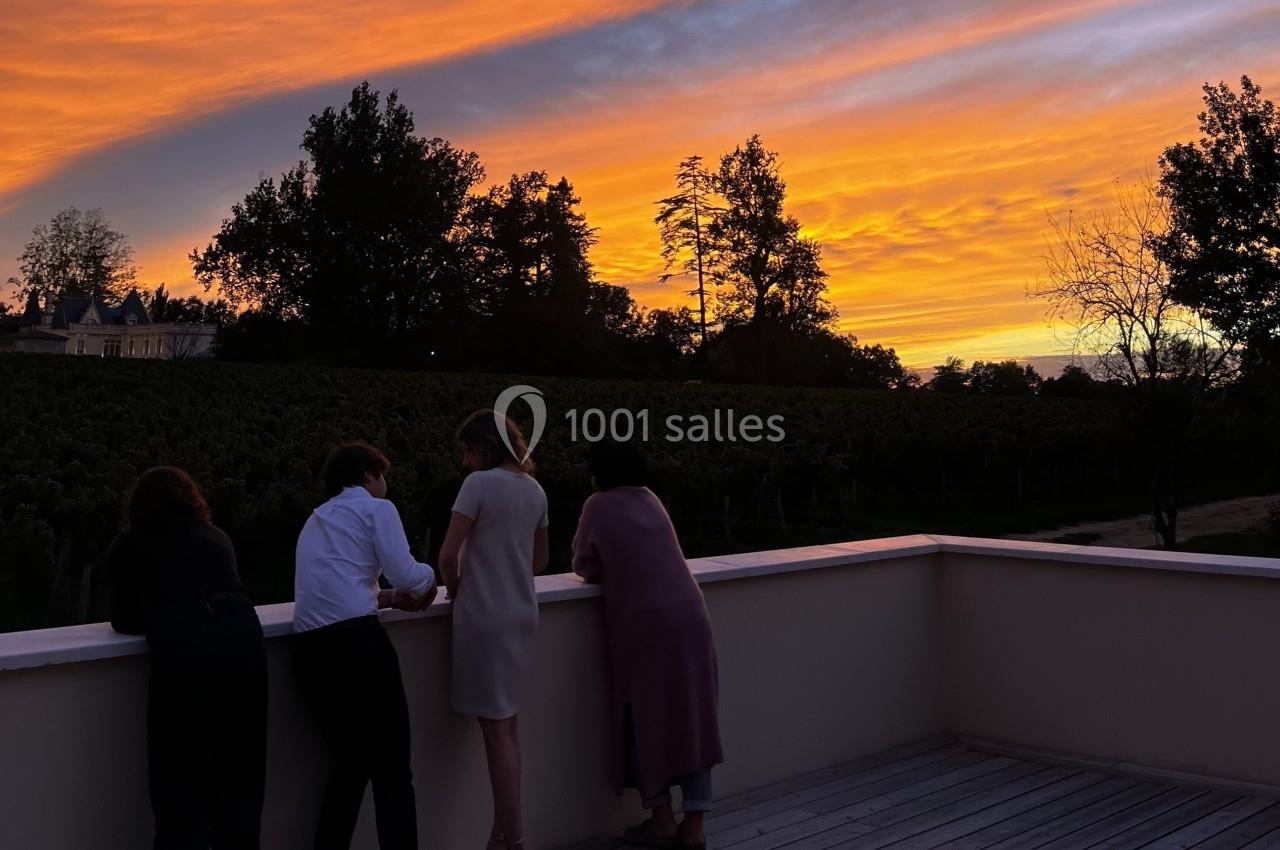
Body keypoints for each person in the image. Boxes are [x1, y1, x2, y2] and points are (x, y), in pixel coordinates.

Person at [571, 441, 723, 850]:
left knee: (646, 716)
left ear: (600, 472)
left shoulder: (597, 505)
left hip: (646, 624)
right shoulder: (651, 499)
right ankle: (694, 829)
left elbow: (584, 565)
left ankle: (662, 823)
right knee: (694, 717)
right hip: (692, 614)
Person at [107, 466, 268, 850]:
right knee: (240, 786)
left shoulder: (132, 544)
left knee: (180, 790)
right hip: (246, 651)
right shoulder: (217, 537)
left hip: (187, 660)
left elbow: (125, 619)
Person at [293, 442, 438, 850]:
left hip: (309, 650)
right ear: (368, 475)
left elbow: (340, 585)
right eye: (381, 474)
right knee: (393, 769)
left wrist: (387, 598)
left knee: (351, 764)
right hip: (358, 646)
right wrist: (432, 581)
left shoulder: (318, 518)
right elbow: (409, 576)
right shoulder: (377, 509)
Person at [437, 410, 549, 850]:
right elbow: (539, 562)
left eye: (467, 451)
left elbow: (447, 556)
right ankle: (500, 836)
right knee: (508, 726)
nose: (465, 462)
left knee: (496, 732)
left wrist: (457, 588)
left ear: (482, 447)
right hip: (522, 615)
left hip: (485, 618)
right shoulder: (535, 489)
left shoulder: (478, 486)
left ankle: (514, 840)